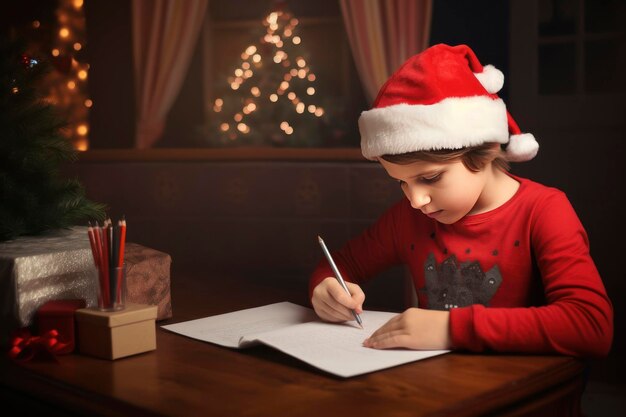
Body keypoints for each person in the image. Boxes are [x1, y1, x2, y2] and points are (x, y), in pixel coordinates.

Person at [309, 44, 613, 357]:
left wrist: (449, 328)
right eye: (401, 181)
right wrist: (327, 290)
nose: (416, 200)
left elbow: (590, 325)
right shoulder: (409, 218)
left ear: (485, 152)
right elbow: (341, 265)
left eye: (430, 178)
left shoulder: (544, 210)